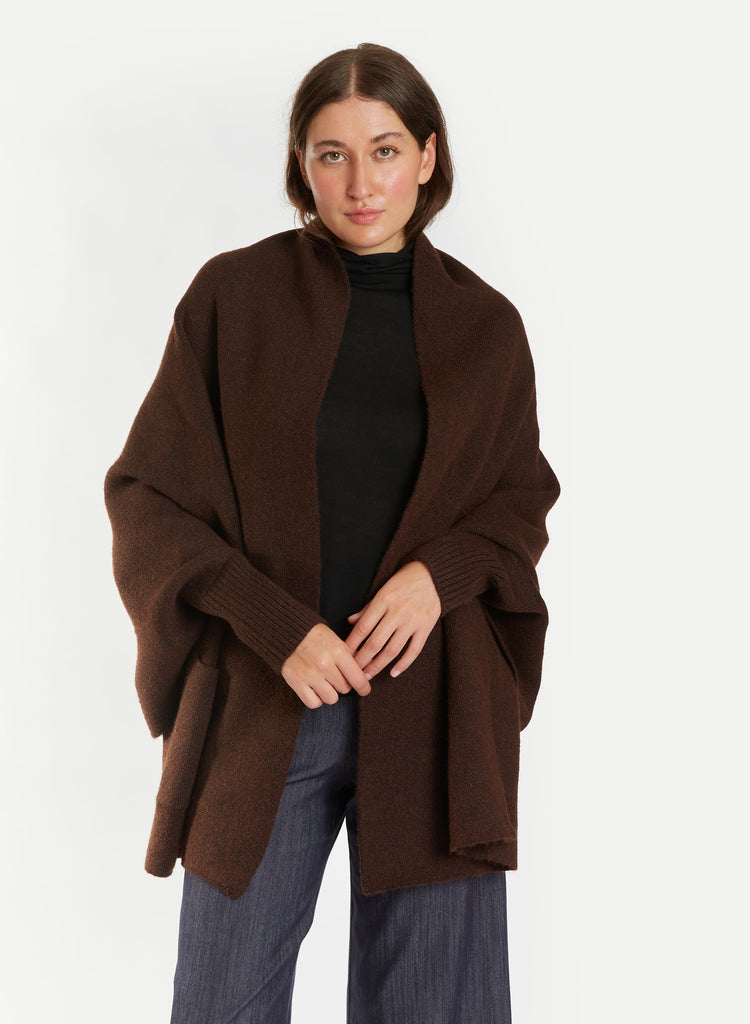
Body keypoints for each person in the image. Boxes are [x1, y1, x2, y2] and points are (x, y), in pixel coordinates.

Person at [104, 41, 560, 1024]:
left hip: (437, 708)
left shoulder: (487, 328)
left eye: (385, 150)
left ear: (427, 156)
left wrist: (439, 576)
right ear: (300, 164)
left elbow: (518, 501)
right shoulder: (234, 298)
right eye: (332, 154)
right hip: (269, 701)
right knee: (221, 1003)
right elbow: (148, 495)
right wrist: (277, 626)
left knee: (436, 1009)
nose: (361, 183)